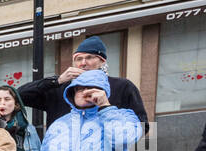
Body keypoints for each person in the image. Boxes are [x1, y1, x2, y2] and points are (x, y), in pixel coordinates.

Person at [18, 35, 149, 126]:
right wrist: (56, 80)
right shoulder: (60, 88)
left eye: (89, 57)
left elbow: (142, 124)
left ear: (102, 61)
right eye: (78, 59)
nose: (83, 63)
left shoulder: (122, 86)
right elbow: (20, 95)